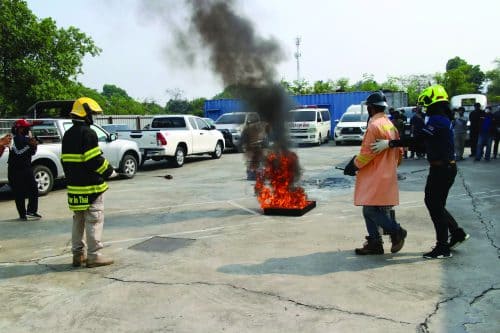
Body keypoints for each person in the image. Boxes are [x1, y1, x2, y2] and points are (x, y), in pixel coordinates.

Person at [372, 85, 469, 259]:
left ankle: (443, 248)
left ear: (434, 102)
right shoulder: (441, 118)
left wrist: (391, 143)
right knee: (435, 204)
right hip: (443, 168)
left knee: (435, 206)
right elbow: (421, 144)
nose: (424, 107)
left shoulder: (437, 119)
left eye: (426, 103)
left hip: (442, 169)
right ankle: (456, 233)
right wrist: (400, 144)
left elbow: (419, 139)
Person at [343, 91, 407, 255]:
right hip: (387, 174)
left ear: (371, 108)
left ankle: (396, 231)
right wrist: (391, 167)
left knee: (370, 210)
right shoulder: (389, 124)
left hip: (375, 176)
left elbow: (367, 153)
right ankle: (375, 243)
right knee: (379, 210)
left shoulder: (374, 126)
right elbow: (400, 151)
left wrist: (353, 166)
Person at [61, 97, 117, 268]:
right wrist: (110, 171)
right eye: (92, 113)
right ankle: (94, 256)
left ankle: (78, 255)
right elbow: (93, 160)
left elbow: (67, 161)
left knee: (78, 220)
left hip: (75, 188)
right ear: (86, 113)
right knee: (94, 220)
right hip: (91, 189)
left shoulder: (68, 134)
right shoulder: (88, 133)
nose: (93, 117)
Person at [8, 120, 41, 221]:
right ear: (21, 129)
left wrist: (34, 145)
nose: (28, 130)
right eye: (27, 128)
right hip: (16, 170)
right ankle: (23, 215)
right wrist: (30, 145)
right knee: (19, 193)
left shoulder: (26, 139)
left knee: (33, 190)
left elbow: (32, 153)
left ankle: (30, 211)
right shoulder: (13, 139)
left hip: (25, 169)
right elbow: (18, 152)